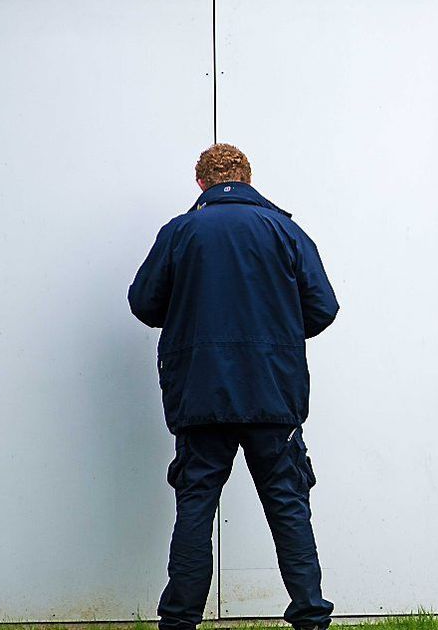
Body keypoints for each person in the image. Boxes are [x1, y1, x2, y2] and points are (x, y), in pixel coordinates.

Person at [128, 144, 339, 630]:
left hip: (200, 394)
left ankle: (179, 622)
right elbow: (323, 307)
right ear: (247, 179)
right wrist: (278, 333)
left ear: (201, 184)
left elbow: (144, 303)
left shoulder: (180, 232)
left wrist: (186, 321)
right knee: (287, 504)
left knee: (196, 504)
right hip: (273, 393)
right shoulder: (285, 230)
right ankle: (310, 617)